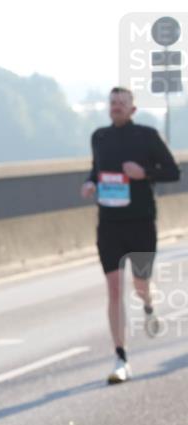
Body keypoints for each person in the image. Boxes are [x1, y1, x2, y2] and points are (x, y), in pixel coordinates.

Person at [80, 86, 181, 384]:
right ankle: (121, 357)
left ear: (133, 109)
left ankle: (148, 305)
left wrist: (144, 172)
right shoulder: (100, 137)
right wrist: (89, 184)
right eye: (113, 103)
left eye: (122, 103)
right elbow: (96, 170)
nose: (117, 107)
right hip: (109, 223)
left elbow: (173, 172)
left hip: (141, 221)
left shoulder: (147, 137)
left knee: (140, 285)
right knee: (113, 288)